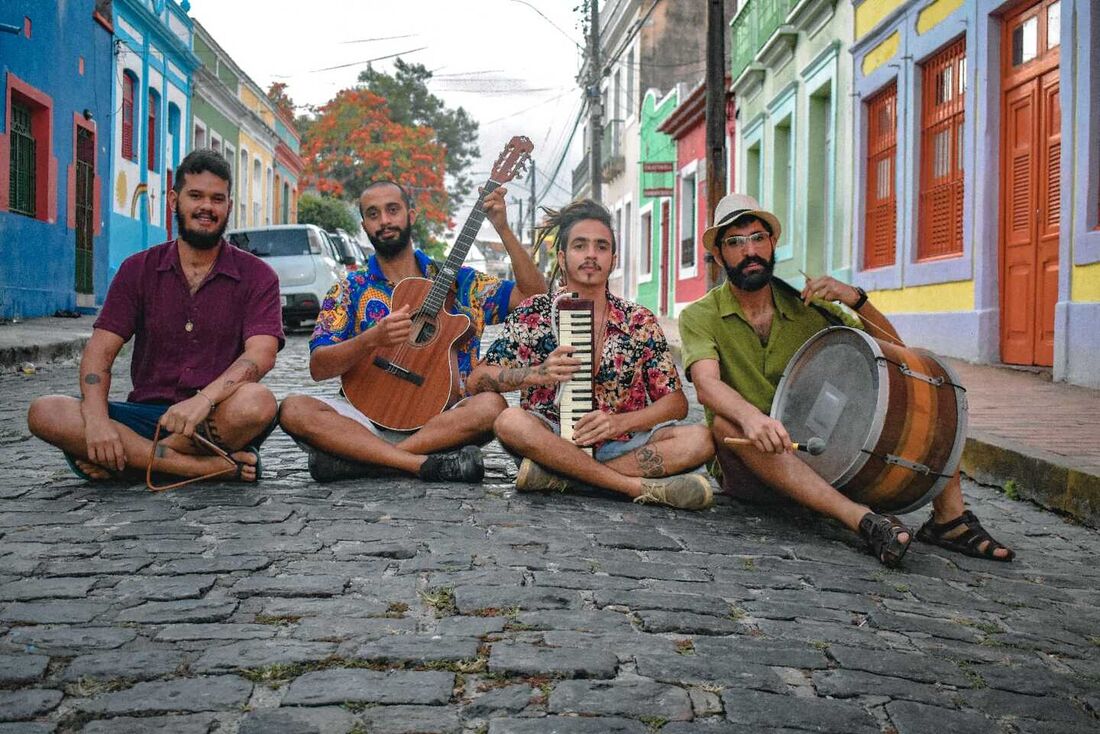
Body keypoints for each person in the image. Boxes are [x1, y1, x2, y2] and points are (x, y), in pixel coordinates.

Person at [680, 193, 1014, 566]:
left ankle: (950, 520)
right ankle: (862, 520)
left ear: (773, 244)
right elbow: (707, 385)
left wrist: (855, 299)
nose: (750, 251)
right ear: (721, 255)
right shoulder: (700, 316)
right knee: (726, 424)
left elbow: (899, 355)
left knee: (928, 389)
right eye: (735, 243)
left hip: (825, 455)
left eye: (758, 238)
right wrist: (753, 418)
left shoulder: (811, 306)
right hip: (753, 464)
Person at [27, 148, 282, 484]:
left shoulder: (258, 276)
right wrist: (98, 422)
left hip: (215, 417)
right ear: (174, 200)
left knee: (257, 402)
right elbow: (99, 353)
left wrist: (202, 401)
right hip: (145, 414)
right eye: (195, 196)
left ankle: (130, 461)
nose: (206, 206)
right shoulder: (138, 269)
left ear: (229, 207)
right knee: (45, 411)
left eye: (217, 199)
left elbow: (260, 355)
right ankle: (204, 468)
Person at [278, 180, 548, 483]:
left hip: (443, 422)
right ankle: (417, 464)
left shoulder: (463, 281)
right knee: (293, 408)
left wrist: (503, 229)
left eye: (392, 210)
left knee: (491, 406)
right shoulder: (349, 289)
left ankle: (368, 461)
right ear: (364, 224)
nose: (384, 221)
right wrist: (370, 340)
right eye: (373, 214)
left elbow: (534, 299)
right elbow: (319, 367)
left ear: (412, 214)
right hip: (364, 420)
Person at [468, 199, 714, 510]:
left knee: (702, 439)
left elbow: (676, 403)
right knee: (509, 421)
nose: (590, 255)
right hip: (551, 440)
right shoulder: (535, 313)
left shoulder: (638, 320)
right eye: (580, 246)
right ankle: (630, 487)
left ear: (613, 259)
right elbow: (477, 381)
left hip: (623, 447)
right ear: (562, 256)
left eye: (601, 247)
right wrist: (536, 373)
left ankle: (563, 479)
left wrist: (619, 423)